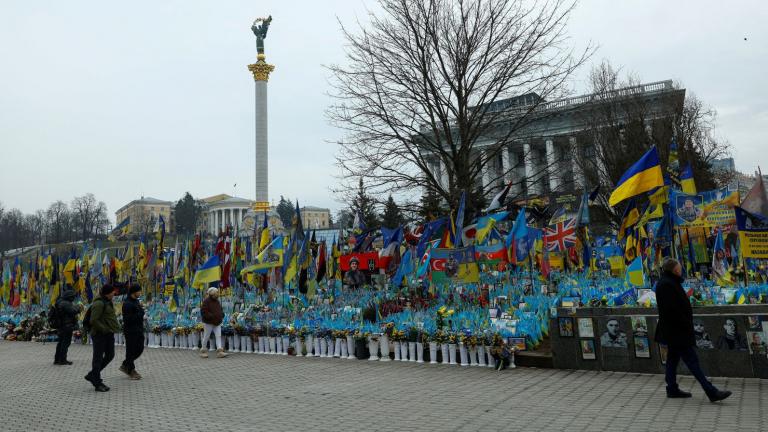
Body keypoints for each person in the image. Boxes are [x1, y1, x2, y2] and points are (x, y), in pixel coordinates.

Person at [655, 257, 731, 402]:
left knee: (672, 359)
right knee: (692, 361)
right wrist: (685, 324)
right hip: (677, 331)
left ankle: (672, 388)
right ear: (674, 269)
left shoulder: (669, 282)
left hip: (674, 330)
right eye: (679, 267)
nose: (681, 268)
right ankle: (711, 391)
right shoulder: (666, 284)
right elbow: (671, 310)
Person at [85, 284, 121, 392]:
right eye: (112, 292)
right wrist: (104, 329)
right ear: (107, 293)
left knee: (110, 355)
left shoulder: (107, 302)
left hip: (108, 334)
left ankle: (92, 375)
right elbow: (93, 320)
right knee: (98, 358)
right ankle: (97, 382)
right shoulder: (99, 303)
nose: (114, 294)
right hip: (99, 334)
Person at [120, 284, 145, 380]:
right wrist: (141, 313)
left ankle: (126, 364)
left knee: (140, 348)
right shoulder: (127, 304)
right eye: (139, 291)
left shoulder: (136, 301)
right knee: (130, 351)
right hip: (131, 331)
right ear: (133, 292)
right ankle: (131, 370)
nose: (140, 293)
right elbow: (127, 319)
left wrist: (140, 311)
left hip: (138, 330)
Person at [54, 289, 82, 365]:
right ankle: (62, 360)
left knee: (61, 343)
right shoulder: (66, 303)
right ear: (69, 297)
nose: (73, 299)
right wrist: (78, 308)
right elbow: (73, 311)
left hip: (61, 325)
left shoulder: (59, 302)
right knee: (65, 343)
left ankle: (57, 359)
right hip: (66, 325)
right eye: (72, 297)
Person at [200, 287, 227, 358]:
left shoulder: (217, 301)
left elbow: (220, 309)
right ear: (212, 293)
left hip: (217, 322)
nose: (218, 294)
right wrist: (212, 316)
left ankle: (220, 351)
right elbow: (204, 312)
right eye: (216, 292)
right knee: (206, 336)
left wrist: (222, 314)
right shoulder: (206, 301)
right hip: (209, 322)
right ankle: (203, 350)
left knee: (218, 336)